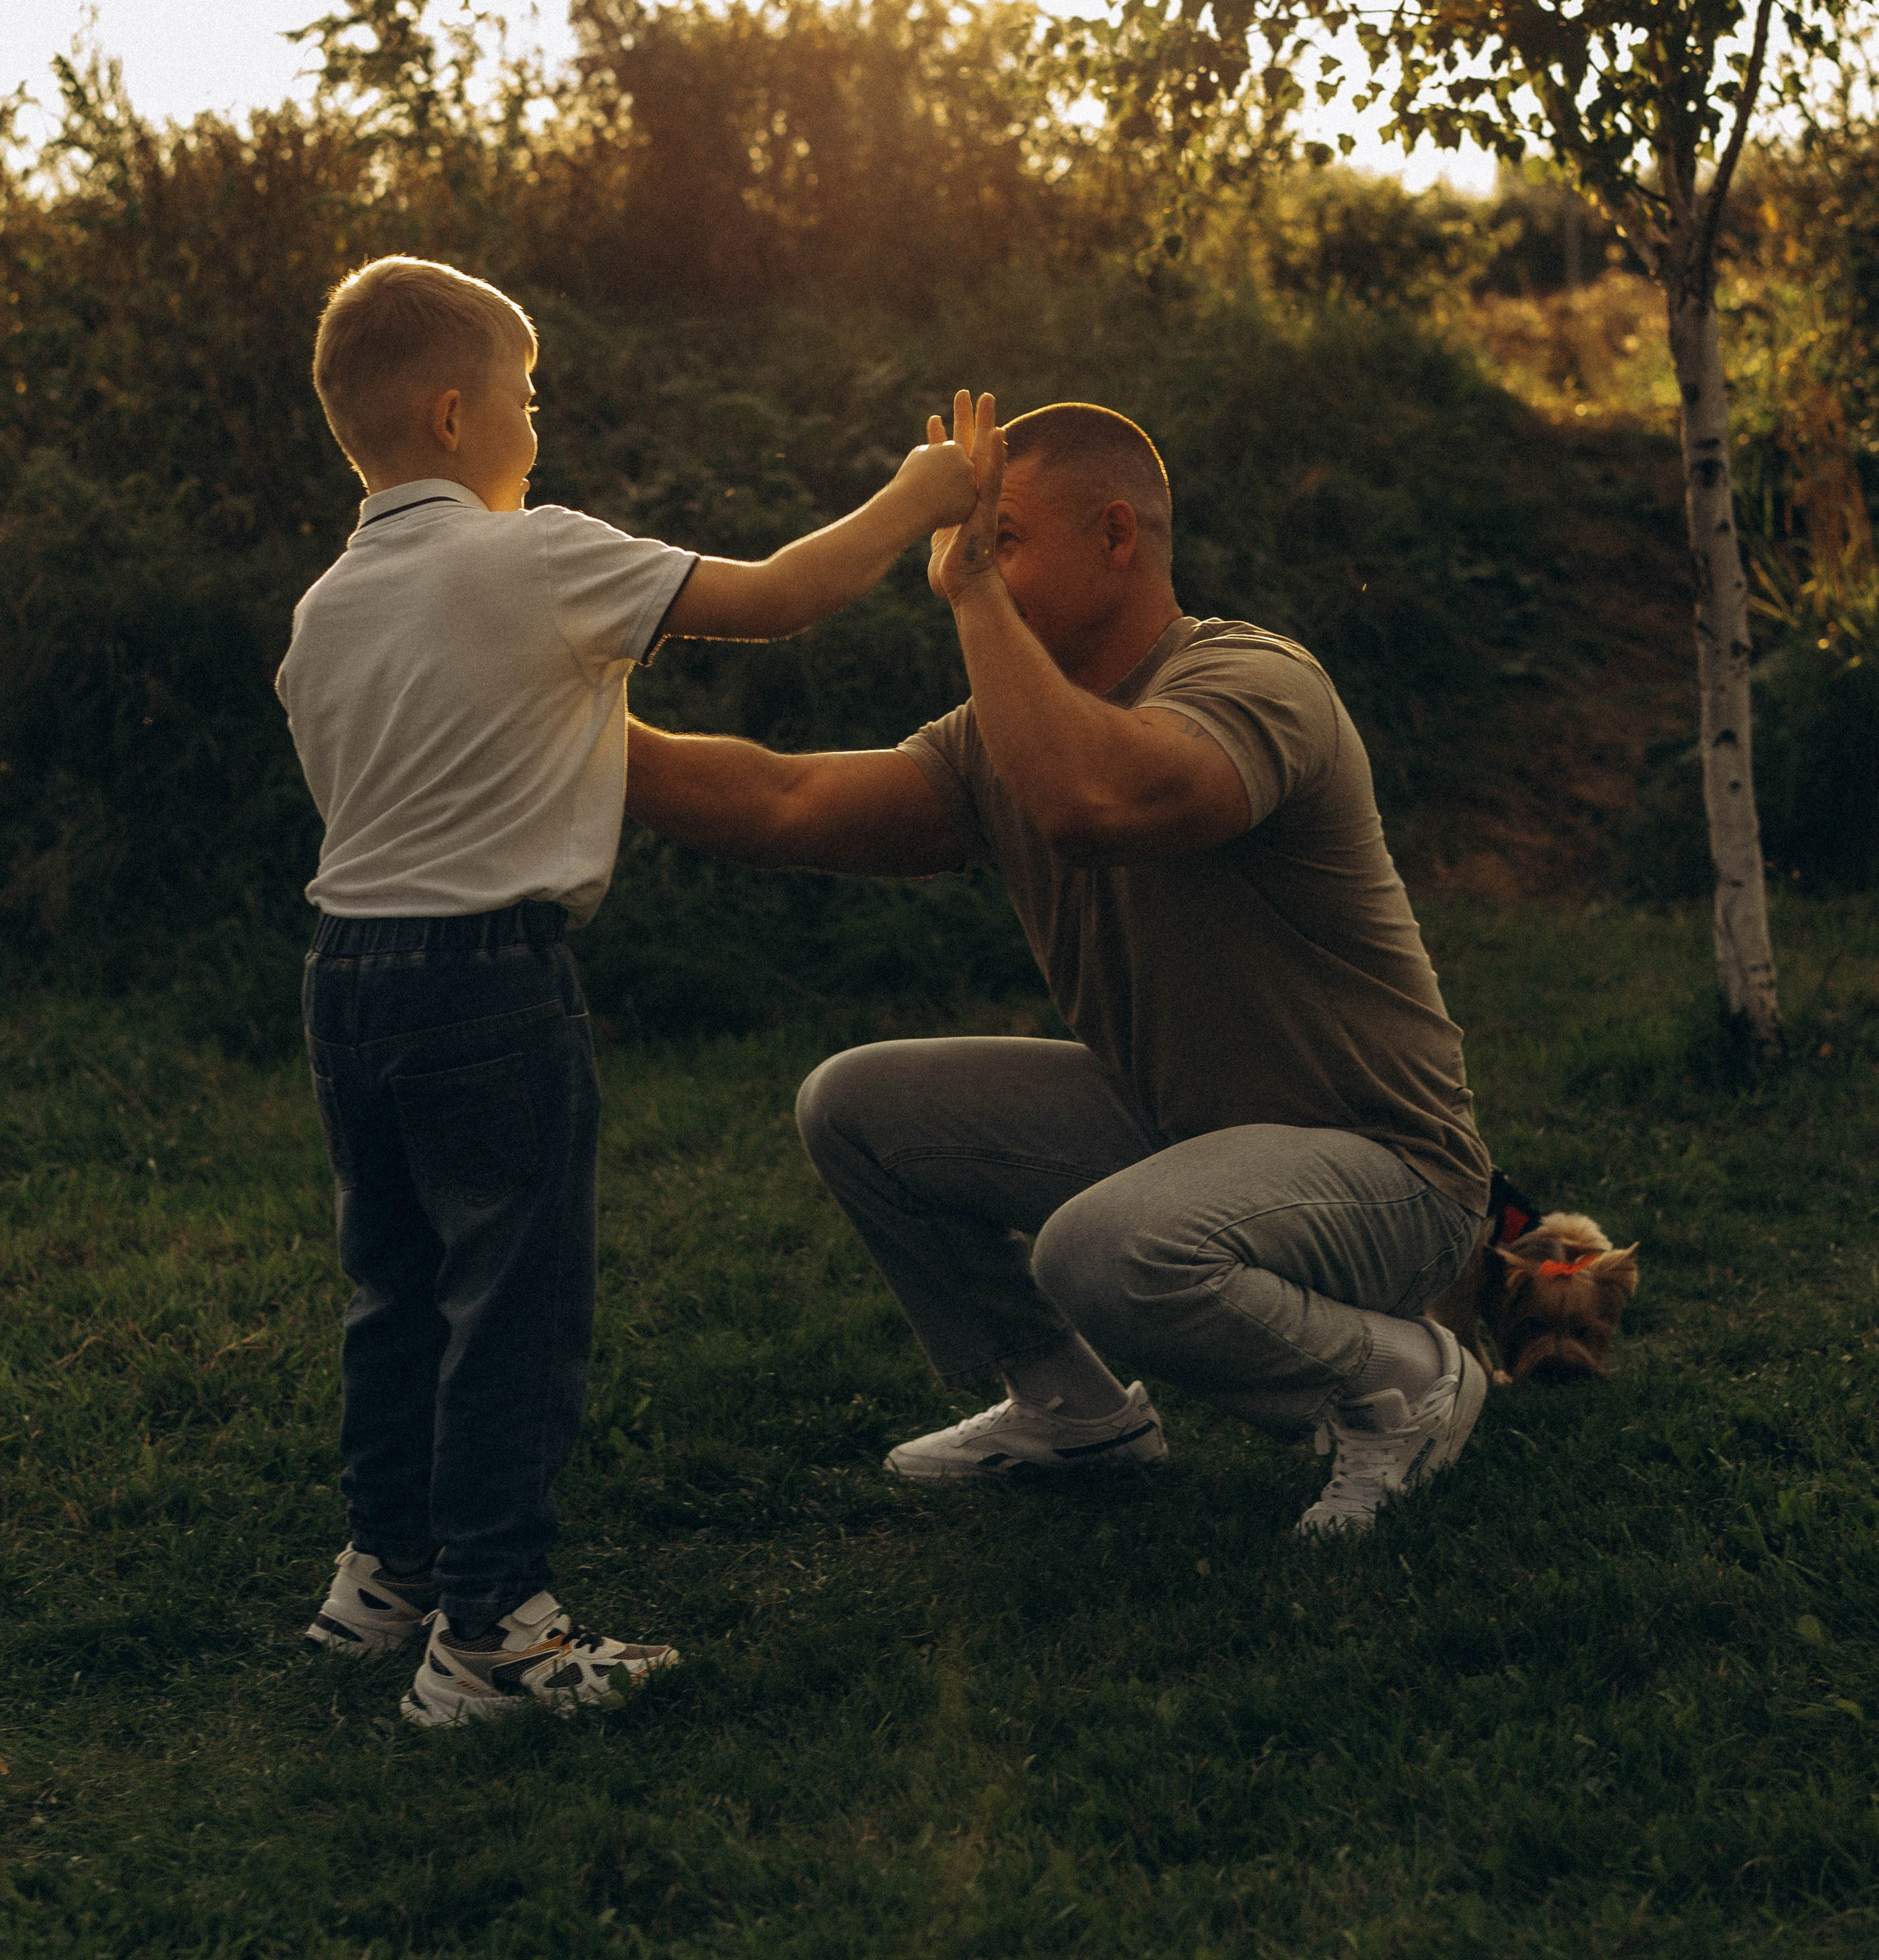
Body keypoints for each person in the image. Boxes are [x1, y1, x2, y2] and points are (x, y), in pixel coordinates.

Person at [276, 254, 982, 1725]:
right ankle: (492, 1639)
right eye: (528, 399)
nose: (539, 427)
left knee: (398, 1291)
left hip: (347, 977)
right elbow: (779, 597)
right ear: (461, 414)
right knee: (510, 1303)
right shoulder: (526, 554)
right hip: (486, 982)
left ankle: (385, 1577)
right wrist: (921, 495)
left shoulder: (326, 607)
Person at [625, 395, 1495, 1533]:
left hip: (1389, 1172)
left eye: (1003, 538)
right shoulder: (1007, 729)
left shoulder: (1256, 683)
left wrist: (974, 593)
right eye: (967, 544)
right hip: (1185, 1131)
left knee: (1104, 1250)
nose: (960, 563)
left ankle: (1403, 1377)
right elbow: (787, 803)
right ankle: (1072, 1407)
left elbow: (1094, 802)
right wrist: (577, 726)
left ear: (1118, 536)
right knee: (856, 1106)